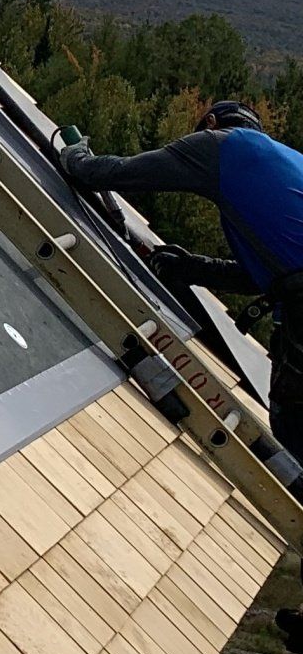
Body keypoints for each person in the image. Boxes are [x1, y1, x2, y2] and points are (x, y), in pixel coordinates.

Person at [56, 101, 303, 459]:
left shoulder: (218, 144)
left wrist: (76, 157)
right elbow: (263, 278)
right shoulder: (284, 163)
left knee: (292, 424)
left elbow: (118, 174)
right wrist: (192, 267)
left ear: (212, 123)